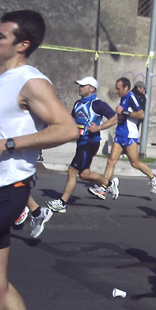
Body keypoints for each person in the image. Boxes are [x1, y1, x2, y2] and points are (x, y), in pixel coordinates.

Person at [0, 9, 78, 310]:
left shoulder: (30, 81)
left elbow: (67, 128)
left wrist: (8, 145)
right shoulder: (3, 80)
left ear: (21, 44)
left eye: (0, 36)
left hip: (6, 190)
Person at [46, 77, 117, 213]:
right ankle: (109, 183)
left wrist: (99, 127)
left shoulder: (98, 104)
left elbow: (115, 118)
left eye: (83, 86)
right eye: (80, 85)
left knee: (72, 170)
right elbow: (72, 120)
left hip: (91, 143)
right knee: (84, 175)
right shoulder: (78, 104)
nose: (80, 87)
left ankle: (62, 203)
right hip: (81, 143)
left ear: (92, 89)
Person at [88, 77, 156, 199]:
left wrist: (125, 112)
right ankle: (104, 188)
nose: (116, 91)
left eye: (118, 88)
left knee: (135, 163)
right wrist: (99, 127)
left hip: (129, 135)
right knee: (111, 161)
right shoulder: (123, 99)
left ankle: (154, 177)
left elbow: (141, 114)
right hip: (120, 134)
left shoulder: (131, 97)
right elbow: (116, 118)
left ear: (126, 88)